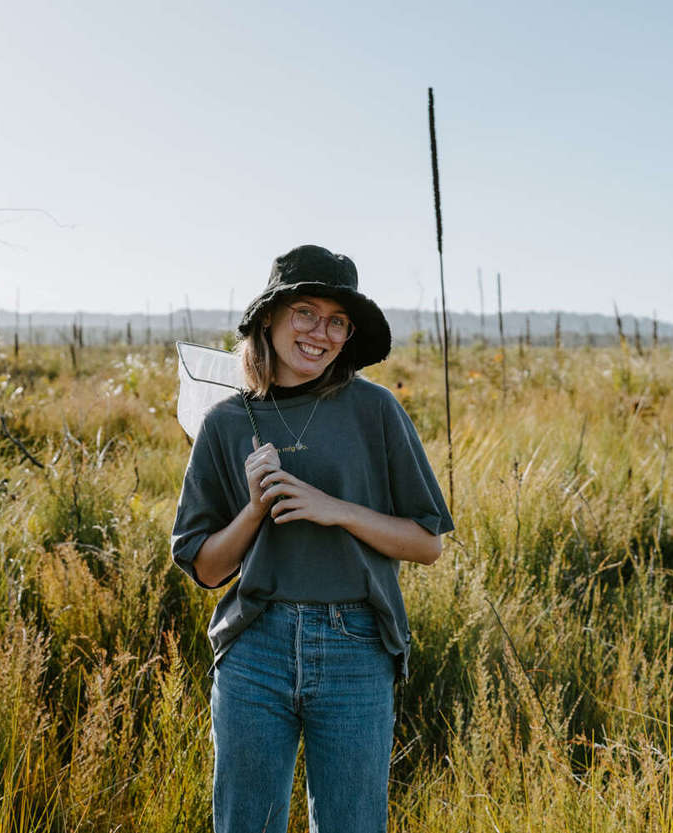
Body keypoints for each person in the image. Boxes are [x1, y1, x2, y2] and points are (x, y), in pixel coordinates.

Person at [171, 244, 454, 832]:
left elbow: (428, 544)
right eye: (306, 312)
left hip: (356, 646)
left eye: (337, 321)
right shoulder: (226, 421)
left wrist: (336, 510)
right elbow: (204, 568)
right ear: (269, 318)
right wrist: (253, 511)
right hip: (255, 646)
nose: (320, 333)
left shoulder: (375, 410)